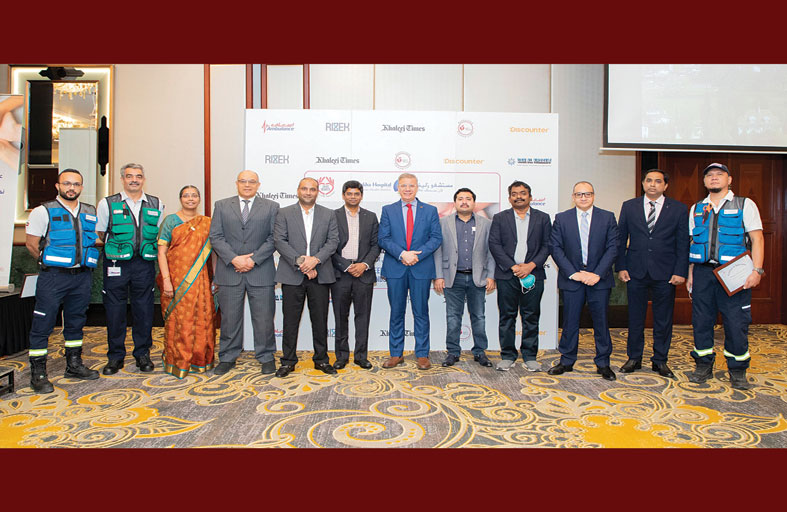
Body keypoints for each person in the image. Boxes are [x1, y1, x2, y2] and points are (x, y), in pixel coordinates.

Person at [686, 163, 764, 390]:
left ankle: (738, 370)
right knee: (701, 321)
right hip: (703, 272)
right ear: (704, 181)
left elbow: (757, 239)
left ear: (729, 180)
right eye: (709, 175)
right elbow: (693, 242)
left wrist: (757, 270)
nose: (714, 178)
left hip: (734, 272)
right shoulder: (696, 208)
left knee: (736, 322)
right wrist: (690, 274)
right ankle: (703, 365)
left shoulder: (745, 204)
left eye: (719, 175)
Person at [24, 168, 100, 393]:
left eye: (76, 184)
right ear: (58, 186)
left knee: (76, 321)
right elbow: (31, 244)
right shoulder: (43, 211)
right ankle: (38, 373)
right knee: (43, 324)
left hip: (82, 277)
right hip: (53, 277)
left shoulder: (89, 210)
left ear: (81, 187)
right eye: (67, 183)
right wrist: (48, 263)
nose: (71, 188)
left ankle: (73, 365)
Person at [616, 169, 688, 379]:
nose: (653, 184)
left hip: (666, 272)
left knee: (663, 319)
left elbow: (683, 242)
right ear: (643, 183)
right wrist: (621, 266)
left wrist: (680, 271)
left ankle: (660, 360)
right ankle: (634, 358)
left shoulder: (679, 209)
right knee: (635, 317)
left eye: (658, 181)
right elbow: (620, 238)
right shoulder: (629, 206)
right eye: (649, 180)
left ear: (665, 185)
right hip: (635, 270)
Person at [97, 163, 165, 375]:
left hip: (144, 264)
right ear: (122, 179)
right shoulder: (107, 203)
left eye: (138, 176)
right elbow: (101, 233)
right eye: (129, 176)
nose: (134, 180)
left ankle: (142, 354)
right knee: (114, 311)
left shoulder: (156, 203)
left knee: (144, 310)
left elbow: (155, 232)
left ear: (143, 179)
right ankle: (115, 357)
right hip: (116, 264)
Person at [209, 170, 280, 375]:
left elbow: (274, 238)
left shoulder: (271, 207)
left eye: (251, 182)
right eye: (243, 181)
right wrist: (234, 259)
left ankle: (266, 356)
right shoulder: (222, 205)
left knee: (264, 318)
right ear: (237, 183)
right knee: (230, 319)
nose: (247, 185)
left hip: (260, 271)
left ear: (258, 185)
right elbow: (216, 236)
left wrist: (252, 260)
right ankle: (228, 357)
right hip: (230, 270)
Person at [549, 181, 619, 381]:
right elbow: (555, 248)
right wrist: (574, 273)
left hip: (599, 280)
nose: (583, 197)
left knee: (601, 322)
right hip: (572, 280)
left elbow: (613, 247)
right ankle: (566, 360)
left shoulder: (607, 217)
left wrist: (597, 274)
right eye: (579, 194)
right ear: (573, 197)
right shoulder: (562, 218)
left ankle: (603, 363)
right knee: (570, 322)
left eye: (587, 194)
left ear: (593, 196)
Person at [274, 177, 339, 378]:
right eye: (304, 188)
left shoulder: (328, 214)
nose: (308, 192)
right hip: (292, 274)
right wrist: (303, 262)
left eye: (312, 189)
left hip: (320, 274)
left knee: (320, 320)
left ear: (318, 192)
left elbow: (333, 241)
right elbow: (279, 240)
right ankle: (288, 361)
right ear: (298, 190)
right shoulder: (284, 213)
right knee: (290, 321)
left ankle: (321, 360)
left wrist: (315, 260)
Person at [378, 173, 442, 370]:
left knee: (421, 312)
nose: (407, 189)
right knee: (396, 312)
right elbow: (383, 238)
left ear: (417, 187)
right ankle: (396, 354)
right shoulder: (388, 210)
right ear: (398, 187)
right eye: (404, 185)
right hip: (395, 268)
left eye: (411, 185)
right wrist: (402, 254)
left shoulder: (430, 210)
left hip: (420, 268)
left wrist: (416, 256)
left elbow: (436, 238)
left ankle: (422, 354)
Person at [488, 181, 552, 371]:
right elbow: (494, 244)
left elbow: (547, 245)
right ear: (509, 198)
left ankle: (530, 356)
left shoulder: (543, 218)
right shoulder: (500, 218)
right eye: (514, 194)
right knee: (507, 317)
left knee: (531, 316)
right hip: (507, 275)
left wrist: (531, 266)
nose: (519, 197)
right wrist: (513, 266)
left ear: (530, 197)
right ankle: (507, 355)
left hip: (533, 274)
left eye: (523, 193)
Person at [157, 185, 216, 378]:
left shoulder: (207, 222)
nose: (190, 199)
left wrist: (216, 278)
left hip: (201, 280)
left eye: (194, 195)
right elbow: (162, 252)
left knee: (201, 319)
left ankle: (200, 360)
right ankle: (178, 360)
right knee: (180, 320)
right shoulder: (170, 221)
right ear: (180, 199)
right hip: (176, 279)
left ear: (199, 199)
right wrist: (166, 280)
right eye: (186, 195)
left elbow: (213, 253)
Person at [433, 187, 496, 368]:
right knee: (453, 317)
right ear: (455, 203)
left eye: (468, 198)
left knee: (479, 317)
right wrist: (438, 276)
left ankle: (480, 352)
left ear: (474, 203)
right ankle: (453, 352)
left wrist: (491, 276)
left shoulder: (486, 223)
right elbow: (438, 251)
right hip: (452, 278)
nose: (464, 202)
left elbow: (491, 252)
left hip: (478, 278)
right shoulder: (443, 222)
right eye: (460, 198)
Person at [330, 180, 380, 370]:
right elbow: (329, 245)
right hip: (340, 274)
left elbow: (376, 245)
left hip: (363, 274)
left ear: (361, 196)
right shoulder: (332, 216)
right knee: (340, 317)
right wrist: (346, 266)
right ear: (343, 195)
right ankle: (341, 356)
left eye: (356, 194)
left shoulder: (371, 216)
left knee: (363, 317)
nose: (353, 197)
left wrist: (364, 265)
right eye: (349, 193)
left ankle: (361, 356)